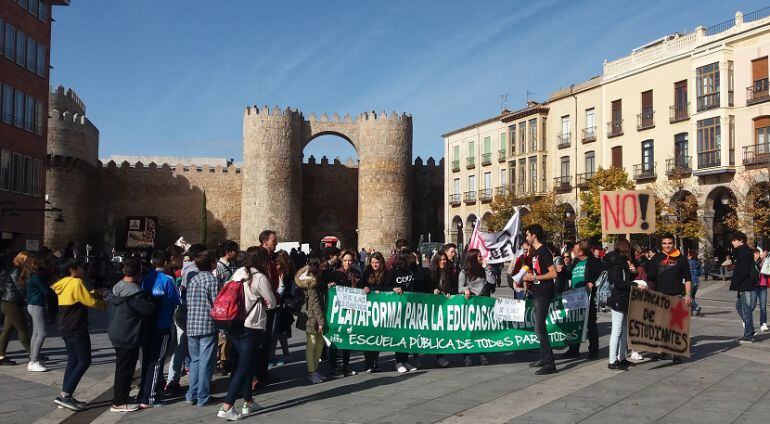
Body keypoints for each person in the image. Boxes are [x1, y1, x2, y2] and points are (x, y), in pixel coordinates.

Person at [217, 247, 276, 421]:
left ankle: (248, 402)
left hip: (234, 323)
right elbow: (271, 303)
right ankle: (227, 406)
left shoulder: (238, 272)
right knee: (244, 366)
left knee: (246, 362)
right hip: (252, 325)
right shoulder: (260, 278)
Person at [51, 258, 106, 411]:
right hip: (76, 326)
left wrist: (93, 293)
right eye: (81, 268)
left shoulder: (64, 282)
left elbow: (81, 297)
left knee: (73, 360)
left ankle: (66, 394)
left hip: (64, 325)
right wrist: (106, 304)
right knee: (84, 360)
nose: (84, 271)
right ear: (72, 270)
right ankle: (64, 395)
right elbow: (90, 302)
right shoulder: (76, 282)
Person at [107, 258, 155, 413]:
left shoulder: (117, 287)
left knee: (121, 367)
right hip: (129, 334)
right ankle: (119, 402)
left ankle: (120, 398)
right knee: (125, 370)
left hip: (117, 332)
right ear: (138, 273)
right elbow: (149, 310)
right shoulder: (136, 293)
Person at [137, 250, 181, 408]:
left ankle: (143, 392)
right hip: (162, 325)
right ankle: (149, 396)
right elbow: (177, 300)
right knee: (156, 362)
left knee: (148, 360)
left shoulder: (146, 278)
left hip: (148, 324)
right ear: (167, 263)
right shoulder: (168, 280)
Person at [647, 234, 693, 361]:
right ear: (661, 245)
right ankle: (660, 350)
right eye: (664, 243)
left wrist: (688, 294)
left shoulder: (681, 259)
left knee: (676, 325)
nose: (667, 246)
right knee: (660, 325)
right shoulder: (656, 258)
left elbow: (688, 278)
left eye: (669, 243)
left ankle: (676, 352)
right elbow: (650, 278)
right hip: (660, 296)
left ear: (674, 244)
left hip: (676, 296)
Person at [165, 244, 202, 394]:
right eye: (180, 257)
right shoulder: (192, 270)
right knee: (184, 346)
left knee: (182, 346)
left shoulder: (184, 269)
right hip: (184, 312)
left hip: (181, 312)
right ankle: (174, 381)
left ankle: (173, 380)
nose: (183, 259)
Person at [186, 250, 220, 407]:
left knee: (195, 361)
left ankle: (191, 394)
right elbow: (216, 303)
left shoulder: (193, 279)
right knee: (206, 362)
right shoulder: (212, 280)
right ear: (212, 263)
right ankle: (203, 396)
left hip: (192, 323)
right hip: (207, 324)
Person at [522, 224, 557, 375]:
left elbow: (553, 273)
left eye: (527, 234)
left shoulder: (544, 251)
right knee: (538, 327)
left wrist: (535, 277)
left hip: (544, 293)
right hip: (537, 291)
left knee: (539, 328)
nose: (526, 237)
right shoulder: (535, 252)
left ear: (534, 235)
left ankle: (550, 364)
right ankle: (543, 358)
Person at [563, 240, 603, 359]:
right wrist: (561, 270)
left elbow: (601, 276)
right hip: (574, 298)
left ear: (581, 252)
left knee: (590, 324)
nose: (573, 252)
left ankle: (593, 351)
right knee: (575, 323)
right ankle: (573, 349)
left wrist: (593, 283)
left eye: (575, 250)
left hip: (588, 298)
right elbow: (569, 274)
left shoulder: (594, 262)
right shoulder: (575, 262)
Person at [605, 238, 640, 370]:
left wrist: (631, 272)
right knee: (617, 329)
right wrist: (634, 284)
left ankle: (622, 357)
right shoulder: (617, 263)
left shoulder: (621, 262)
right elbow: (619, 283)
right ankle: (612, 360)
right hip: (619, 299)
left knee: (624, 329)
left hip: (623, 298)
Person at [327, 250, 361, 377]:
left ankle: (346, 366)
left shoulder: (356, 273)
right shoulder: (335, 273)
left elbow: (360, 288)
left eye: (350, 260)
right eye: (345, 260)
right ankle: (333, 367)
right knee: (335, 339)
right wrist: (330, 286)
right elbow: (328, 289)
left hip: (351, 310)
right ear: (341, 261)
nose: (347, 263)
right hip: (337, 311)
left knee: (347, 338)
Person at [458, 249, 495, 366]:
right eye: (479, 257)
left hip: (483, 303)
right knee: (469, 330)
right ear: (473, 258)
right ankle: (467, 355)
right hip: (470, 304)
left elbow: (492, 282)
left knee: (481, 330)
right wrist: (466, 290)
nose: (481, 258)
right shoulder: (464, 272)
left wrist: (487, 269)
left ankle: (482, 354)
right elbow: (459, 288)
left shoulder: (484, 270)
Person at [254, 230, 280, 387]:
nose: (275, 243)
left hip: (269, 305)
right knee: (261, 341)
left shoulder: (269, 258)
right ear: (265, 242)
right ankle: (257, 376)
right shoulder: (260, 259)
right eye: (273, 241)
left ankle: (262, 373)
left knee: (266, 340)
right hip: (263, 306)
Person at [295, 257, 327, 384]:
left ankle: (315, 370)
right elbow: (315, 304)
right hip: (311, 317)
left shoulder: (318, 280)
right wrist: (321, 322)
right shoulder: (311, 283)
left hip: (316, 316)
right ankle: (312, 372)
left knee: (319, 344)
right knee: (312, 344)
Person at [387, 250, 419, 373]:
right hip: (397, 308)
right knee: (399, 334)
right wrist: (393, 288)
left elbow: (420, 279)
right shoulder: (393, 272)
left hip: (410, 306)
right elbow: (385, 286)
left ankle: (405, 360)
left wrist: (417, 264)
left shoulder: (412, 271)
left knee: (407, 335)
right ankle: (398, 361)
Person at [0, 252, 31, 366]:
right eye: (27, 260)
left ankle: (1, 356)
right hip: (12, 302)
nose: (29, 262)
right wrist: (28, 299)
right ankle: (33, 354)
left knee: (7, 331)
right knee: (22, 329)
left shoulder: (14, 269)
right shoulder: (16, 270)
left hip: (8, 301)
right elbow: (20, 287)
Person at [360, 251, 390, 372]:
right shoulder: (367, 271)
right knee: (367, 335)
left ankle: (375, 361)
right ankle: (368, 363)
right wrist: (365, 287)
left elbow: (388, 286)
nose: (375, 265)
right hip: (368, 308)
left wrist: (379, 290)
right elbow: (361, 284)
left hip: (380, 309)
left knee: (377, 336)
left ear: (381, 262)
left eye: (377, 262)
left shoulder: (386, 273)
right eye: (372, 262)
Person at [21, 253, 51, 372]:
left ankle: (32, 358)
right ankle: (34, 361)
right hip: (37, 305)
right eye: (40, 262)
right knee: (42, 333)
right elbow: (46, 291)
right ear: (36, 264)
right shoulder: (36, 276)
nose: (42, 264)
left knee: (35, 333)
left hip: (31, 305)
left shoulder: (30, 275)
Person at [429, 251, 455, 368]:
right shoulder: (430, 272)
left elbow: (453, 286)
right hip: (431, 306)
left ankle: (440, 357)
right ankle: (415, 357)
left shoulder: (449, 272)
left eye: (444, 259)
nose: (443, 262)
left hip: (443, 306)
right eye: (440, 260)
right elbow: (425, 285)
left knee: (440, 331)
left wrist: (450, 292)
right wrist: (432, 290)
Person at [270, 250, 294, 367]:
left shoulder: (282, 273)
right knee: (275, 332)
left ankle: (271, 357)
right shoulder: (277, 273)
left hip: (279, 306)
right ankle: (270, 358)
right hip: (276, 305)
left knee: (277, 331)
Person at [758, 249, 769, 333]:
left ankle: (763, 323)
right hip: (754, 286)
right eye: (763, 252)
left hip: (763, 285)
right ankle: (746, 320)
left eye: (766, 252)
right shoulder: (755, 261)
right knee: (751, 305)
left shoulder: (767, 261)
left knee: (763, 306)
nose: (764, 253)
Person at [688, 249, 702, 317]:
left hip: (691, 281)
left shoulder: (689, 262)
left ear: (690, 255)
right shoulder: (697, 262)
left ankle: (696, 307)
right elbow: (700, 273)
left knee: (688, 296)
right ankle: (691, 311)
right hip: (697, 281)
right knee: (692, 297)